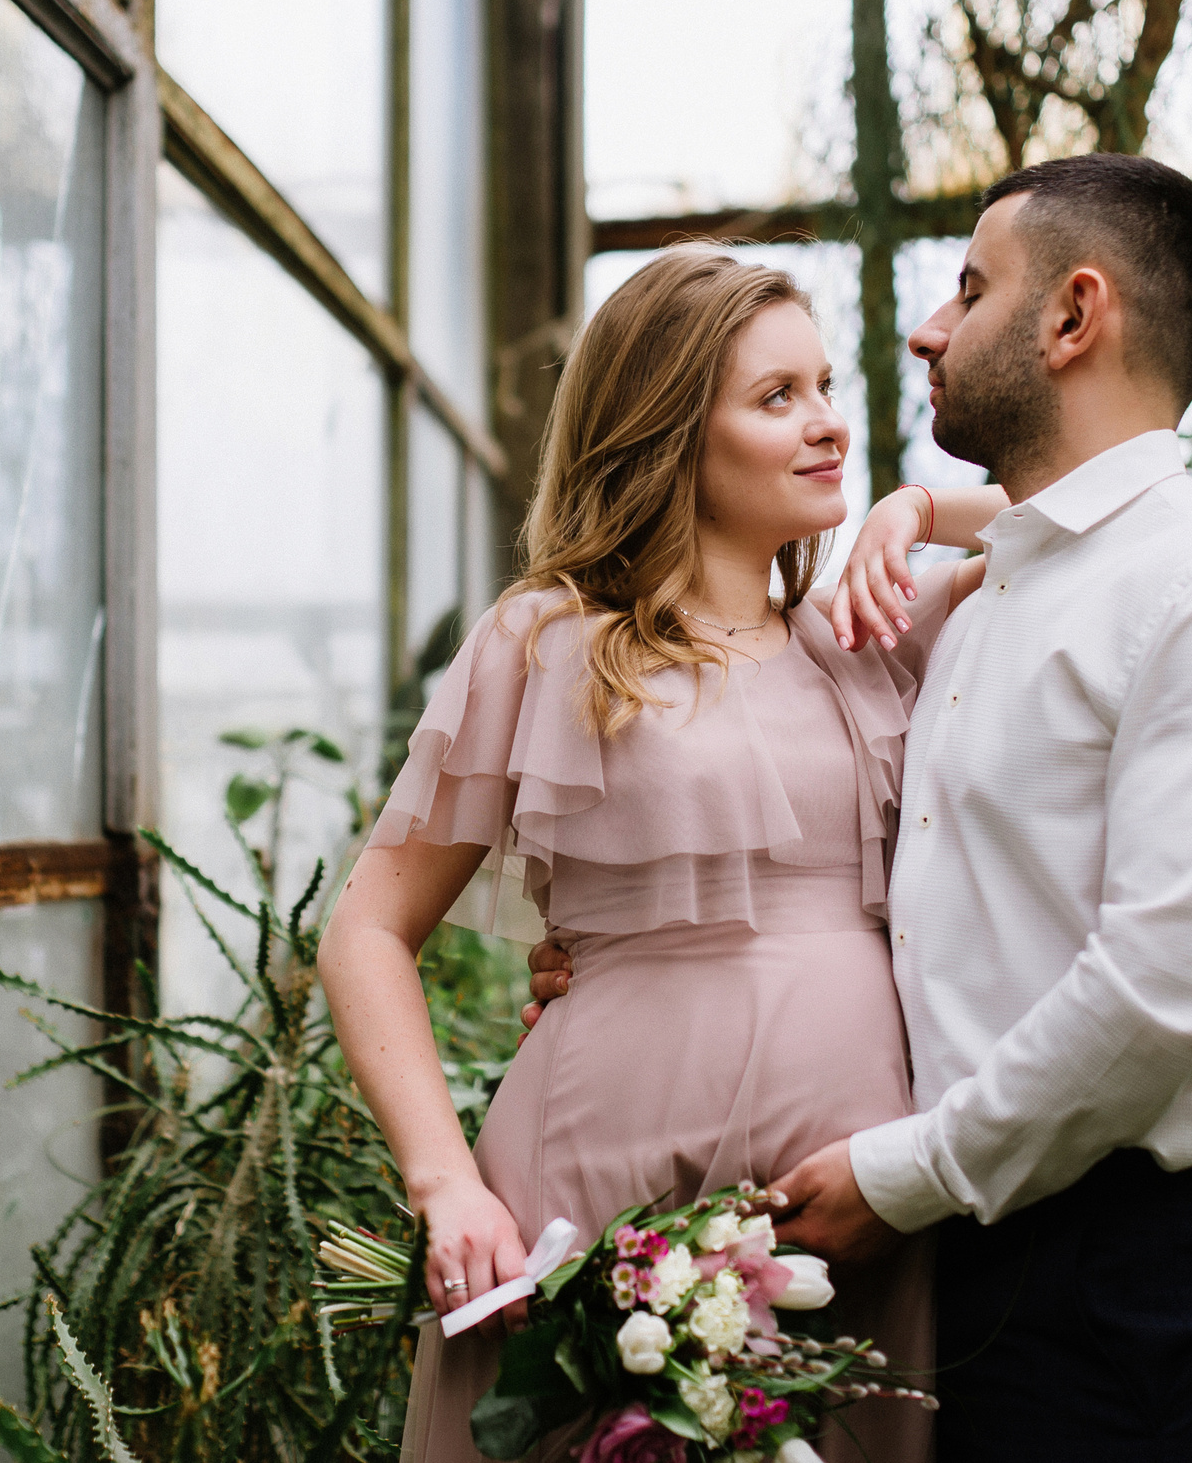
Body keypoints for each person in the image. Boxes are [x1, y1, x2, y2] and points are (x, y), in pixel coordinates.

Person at [525, 154, 1192, 1461]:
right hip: (962, 1241)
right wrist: (638, 963)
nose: (927, 326)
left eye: (969, 288)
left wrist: (905, 1174)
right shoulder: (998, 592)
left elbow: (1174, 985)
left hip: (1124, 1262)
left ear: (1073, 317)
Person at [317, 244, 1008, 1463]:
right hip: (587, 1193)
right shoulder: (546, 642)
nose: (829, 425)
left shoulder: (870, 634)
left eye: (826, 385)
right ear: (666, 431)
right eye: (776, 396)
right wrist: (446, 1185)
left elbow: (1092, 510)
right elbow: (367, 929)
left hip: (843, 1215)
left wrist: (916, 509)